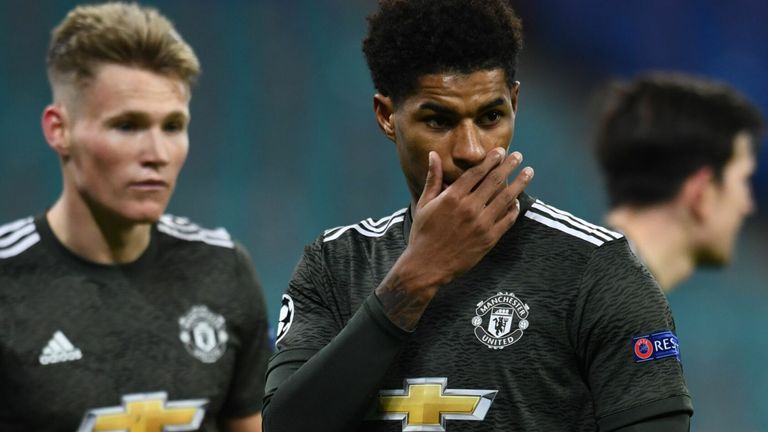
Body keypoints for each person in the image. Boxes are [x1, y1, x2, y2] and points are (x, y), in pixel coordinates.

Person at [263, 1, 692, 431]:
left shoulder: (598, 268)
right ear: (387, 116)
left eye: (490, 116)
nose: (471, 149)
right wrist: (413, 280)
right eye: (438, 120)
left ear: (515, 103)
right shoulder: (335, 265)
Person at [0, 3, 268, 431]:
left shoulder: (223, 268)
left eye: (173, 126)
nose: (157, 154)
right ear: (58, 130)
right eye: (127, 126)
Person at [595, 74, 764, 292]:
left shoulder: (583, 279)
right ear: (702, 193)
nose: (748, 206)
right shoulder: (615, 298)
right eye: (743, 180)